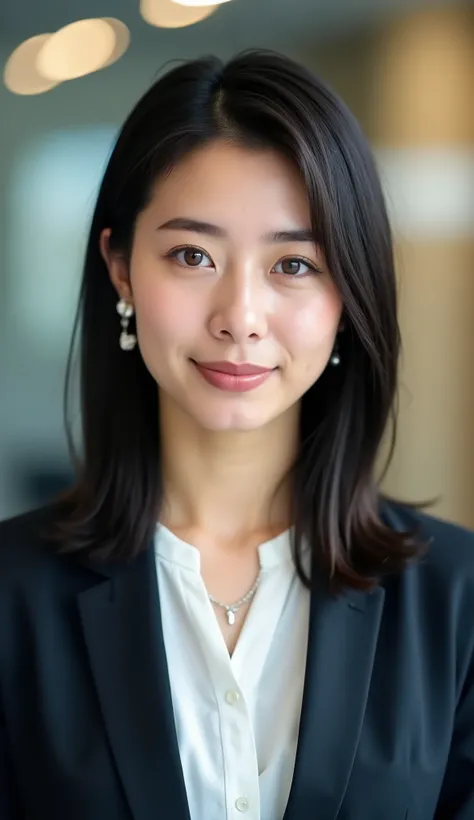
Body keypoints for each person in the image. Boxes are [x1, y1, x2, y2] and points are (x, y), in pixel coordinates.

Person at [0, 49, 473, 820]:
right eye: (192, 255)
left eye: (293, 264)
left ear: (348, 292)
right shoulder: (13, 595)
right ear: (120, 267)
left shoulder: (455, 600)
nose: (240, 316)